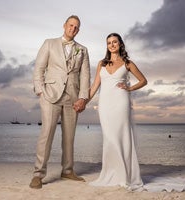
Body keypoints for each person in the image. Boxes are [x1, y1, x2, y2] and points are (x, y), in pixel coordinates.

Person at [29, 15, 90, 189]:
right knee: (46, 134)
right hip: (50, 95)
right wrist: (40, 90)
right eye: (71, 25)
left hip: (73, 97)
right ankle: (38, 174)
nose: (73, 29)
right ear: (64, 25)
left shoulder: (83, 50)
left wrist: (83, 97)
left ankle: (68, 170)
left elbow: (85, 75)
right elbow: (39, 68)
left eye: (77, 27)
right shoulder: (49, 43)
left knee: (69, 137)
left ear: (78, 30)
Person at [88, 33, 147, 190]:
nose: (112, 45)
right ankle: (112, 172)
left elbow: (143, 80)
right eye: (109, 43)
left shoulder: (127, 63)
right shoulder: (101, 63)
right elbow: (94, 87)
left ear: (120, 44)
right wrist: (83, 101)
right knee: (109, 138)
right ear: (107, 46)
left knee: (122, 136)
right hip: (105, 105)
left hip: (121, 102)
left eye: (115, 42)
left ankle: (125, 175)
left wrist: (129, 88)